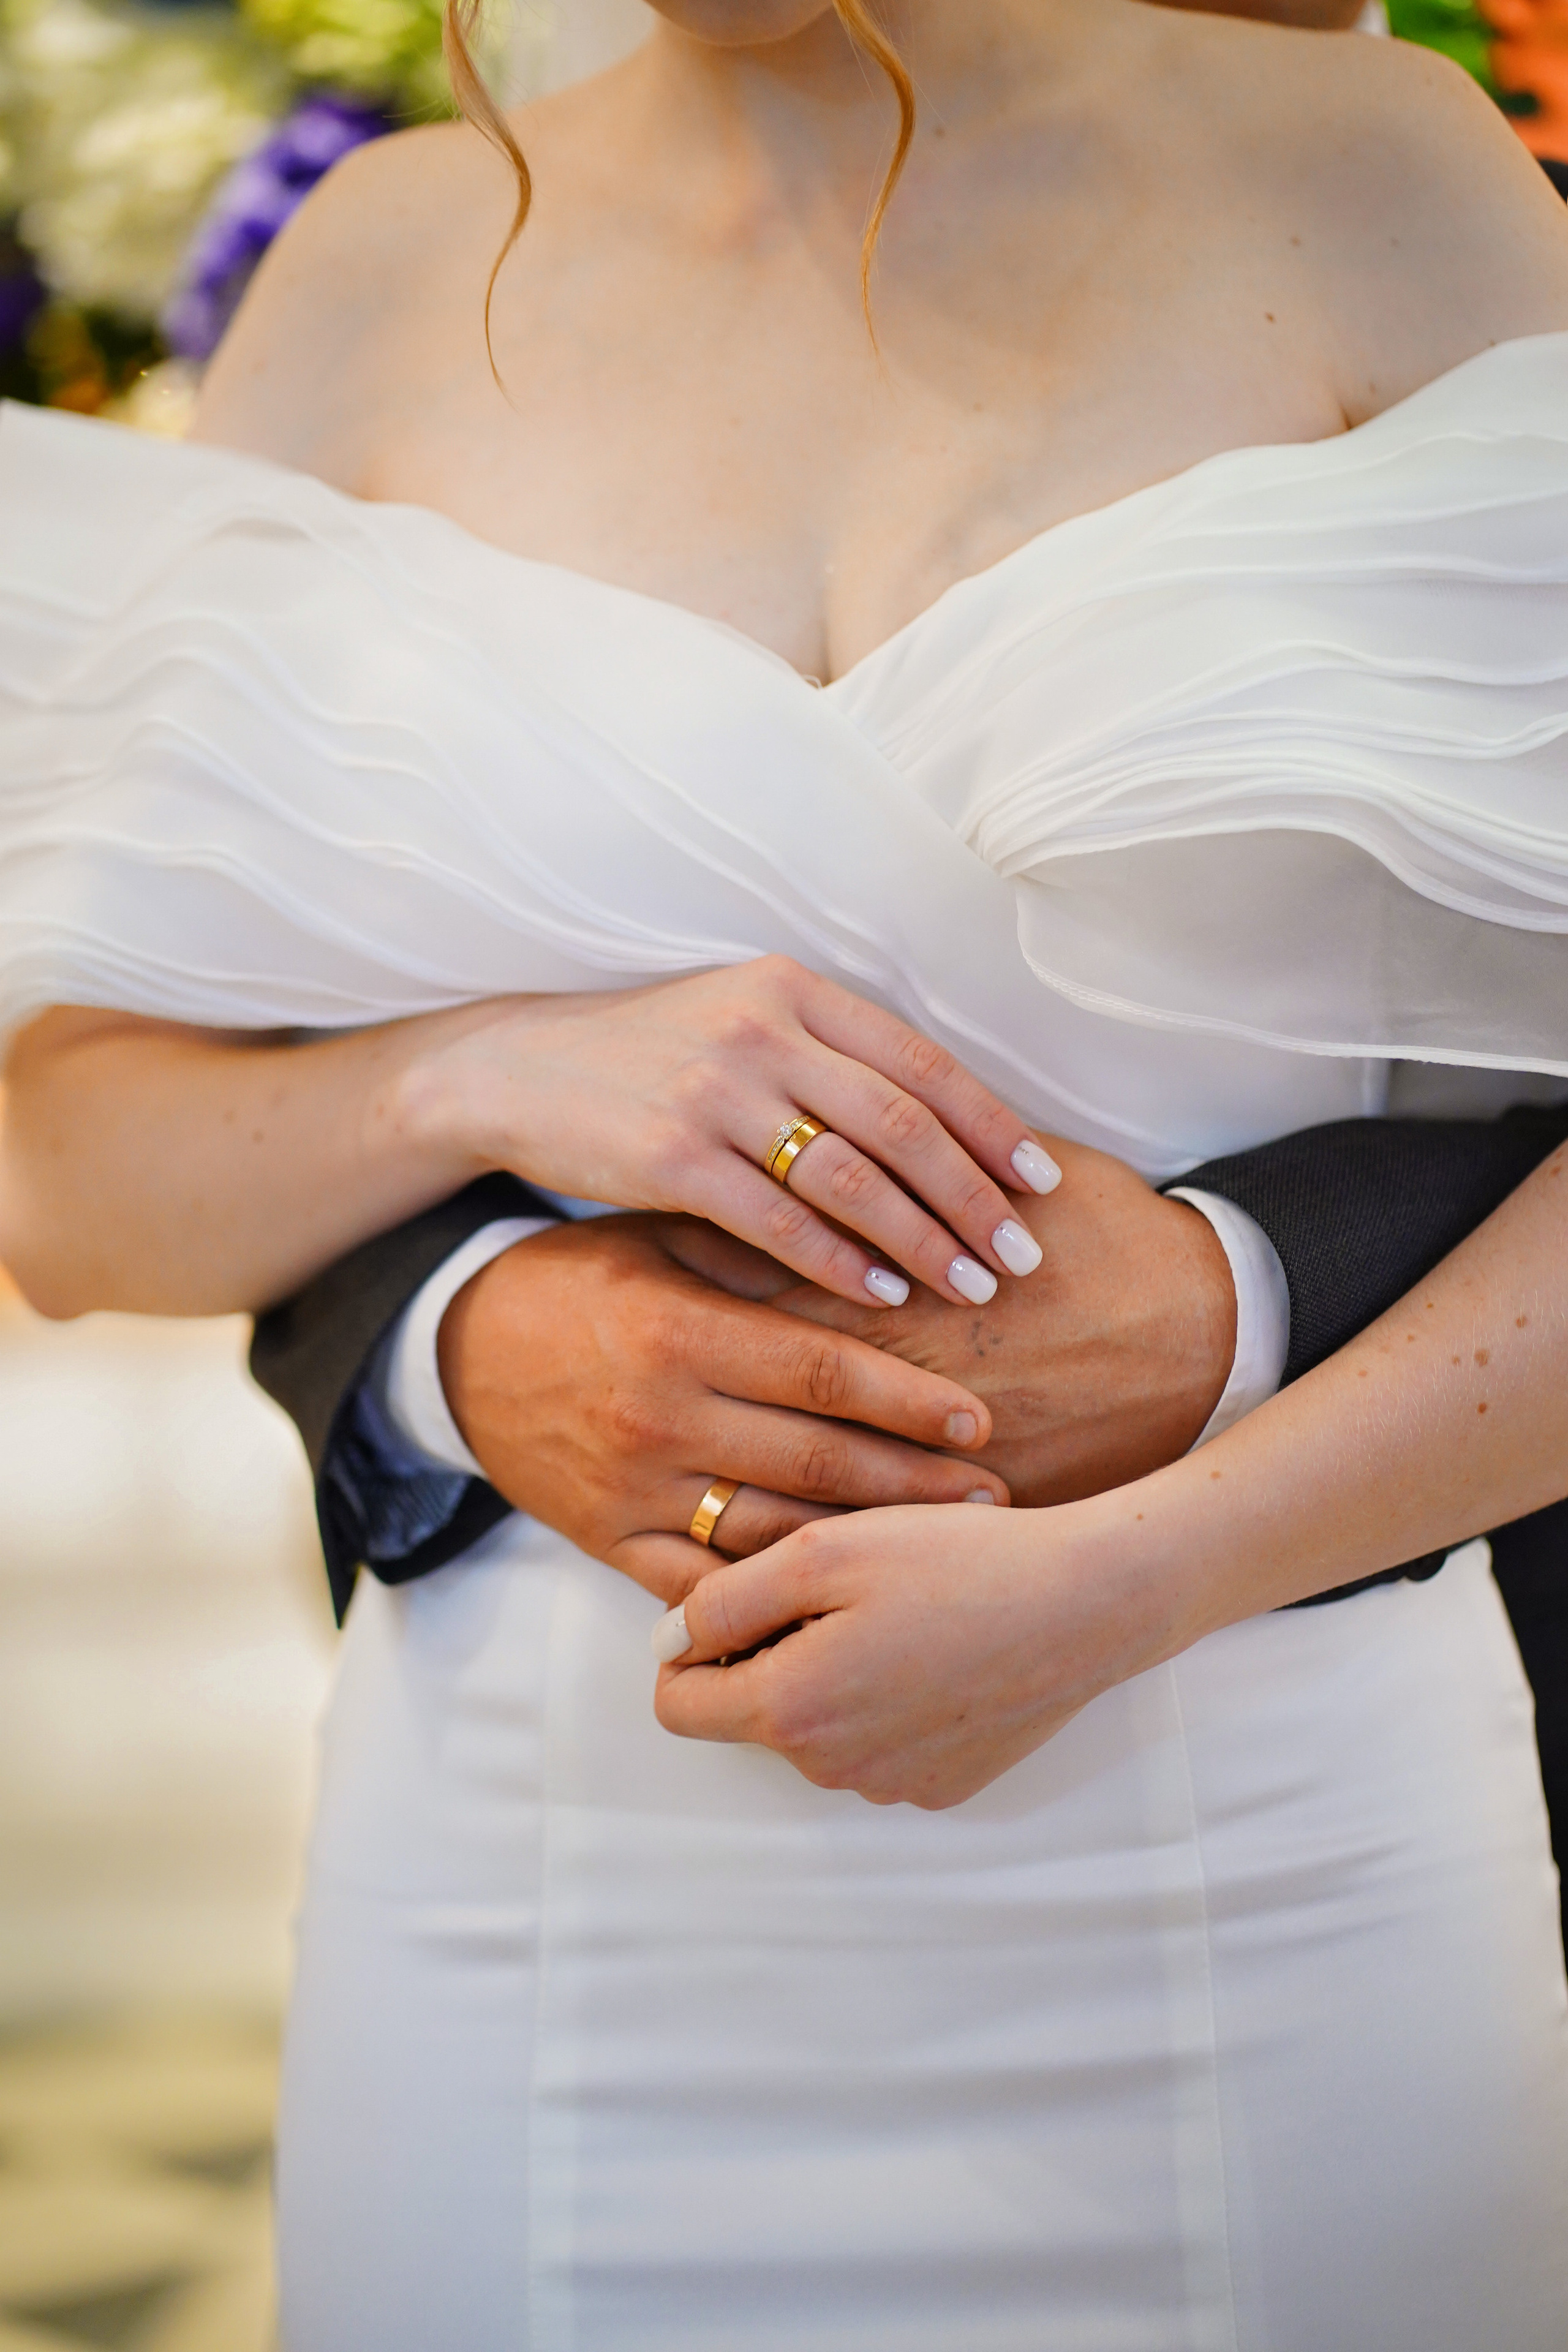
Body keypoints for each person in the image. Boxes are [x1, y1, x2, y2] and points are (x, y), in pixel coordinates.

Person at [2, 2, 1568, 2344]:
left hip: (1275, 1871)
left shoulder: (1381, 170)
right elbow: (66, 1173)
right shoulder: (385, 262)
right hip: (537, 1914)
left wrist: (1147, 1575)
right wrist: (478, 1088)